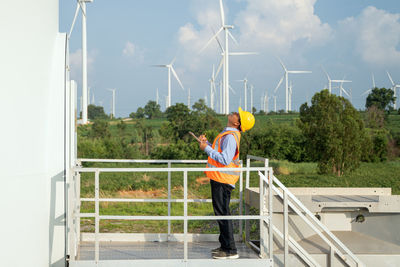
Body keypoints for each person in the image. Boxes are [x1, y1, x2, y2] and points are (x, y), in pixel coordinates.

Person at [199, 107, 255, 259]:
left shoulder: (231, 136)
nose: (234, 113)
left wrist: (206, 150)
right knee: (221, 212)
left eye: (237, 115)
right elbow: (221, 151)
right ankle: (225, 246)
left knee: (223, 213)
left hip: (223, 180)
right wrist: (207, 144)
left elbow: (224, 159)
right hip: (220, 178)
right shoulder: (228, 134)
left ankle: (230, 250)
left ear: (237, 123)